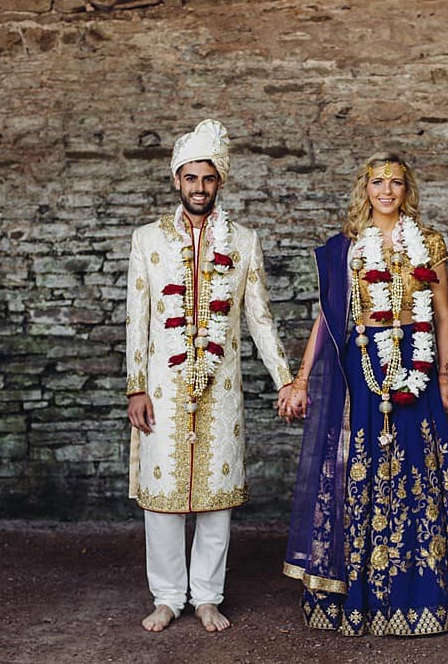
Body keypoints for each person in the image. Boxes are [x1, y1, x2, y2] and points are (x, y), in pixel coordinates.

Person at [279, 153, 448, 636]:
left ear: (406, 190)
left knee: (419, 464)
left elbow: (442, 316)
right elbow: (326, 319)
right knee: (366, 464)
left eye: (395, 182)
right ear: (366, 189)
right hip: (363, 364)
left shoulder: (429, 242)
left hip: (417, 362)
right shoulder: (348, 246)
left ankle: (425, 594)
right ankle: (364, 598)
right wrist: (300, 378)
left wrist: (444, 376)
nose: (386, 190)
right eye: (378, 182)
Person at [126, 119, 294, 633]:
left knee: (217, 500)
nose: (199, 187)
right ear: (176, 180)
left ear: (220, 181)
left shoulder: (243, 241)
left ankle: (206, 598)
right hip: (162, 389)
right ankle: (167, 597)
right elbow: (137, 318)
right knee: (162, 500)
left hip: (220, 390)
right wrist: (136, 387)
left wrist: (286, 380)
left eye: (208, 178)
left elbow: (260, 319)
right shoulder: (147, 240)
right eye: (190, 178)